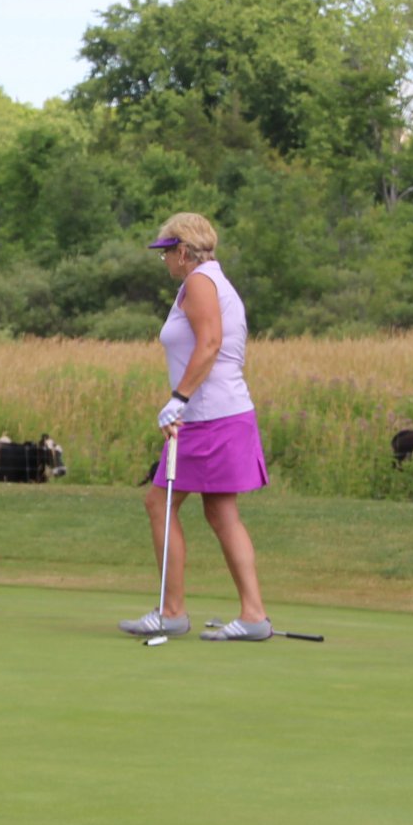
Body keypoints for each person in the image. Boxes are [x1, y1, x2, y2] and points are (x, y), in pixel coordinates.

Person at [118, 212, 275, 641]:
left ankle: (173, 612)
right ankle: (253, 615)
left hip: (208, 417)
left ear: (184, 251)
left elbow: (210, 344)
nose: (165, 260)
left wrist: (179, 398)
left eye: (167, 252)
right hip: (221, 414)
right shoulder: (212, 280)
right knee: (220, 511)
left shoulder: (200, 283)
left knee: (159, 503)